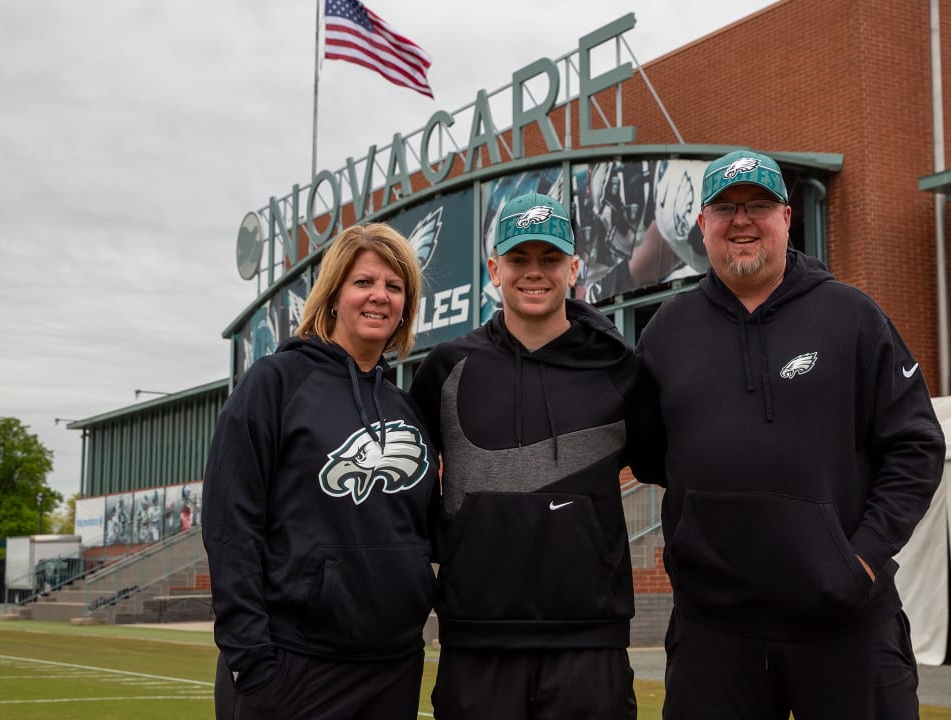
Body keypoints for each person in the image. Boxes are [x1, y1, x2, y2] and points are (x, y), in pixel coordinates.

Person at [632, 149, 946, 720]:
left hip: (847, 625)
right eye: (725, 206)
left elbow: (916, 447)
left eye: (758, 204)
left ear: (786, 217)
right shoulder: (665, 333)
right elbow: (655, 456)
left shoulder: (852, 317)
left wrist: (862, 561)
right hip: (714, 634)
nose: (742, 219)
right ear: (702, 224)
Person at [411, 192, 638, 720]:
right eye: (518, 259)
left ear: (574, 268)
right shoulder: (446, 367)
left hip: (590, 641)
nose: (533, 273)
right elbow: (410, 483)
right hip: (477, 641)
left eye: (549, 259)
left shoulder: (620, 370)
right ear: (494, 268)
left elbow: (670, 462)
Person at [202, 223, 439, 720]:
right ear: (333, 296)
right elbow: (231, 524)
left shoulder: (406, 409)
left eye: (395, 287)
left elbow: (426, 531)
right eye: (364, 283)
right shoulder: (274, 383)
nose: (380, 297)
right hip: (294, 666)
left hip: (392, 668)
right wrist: (252, 659)